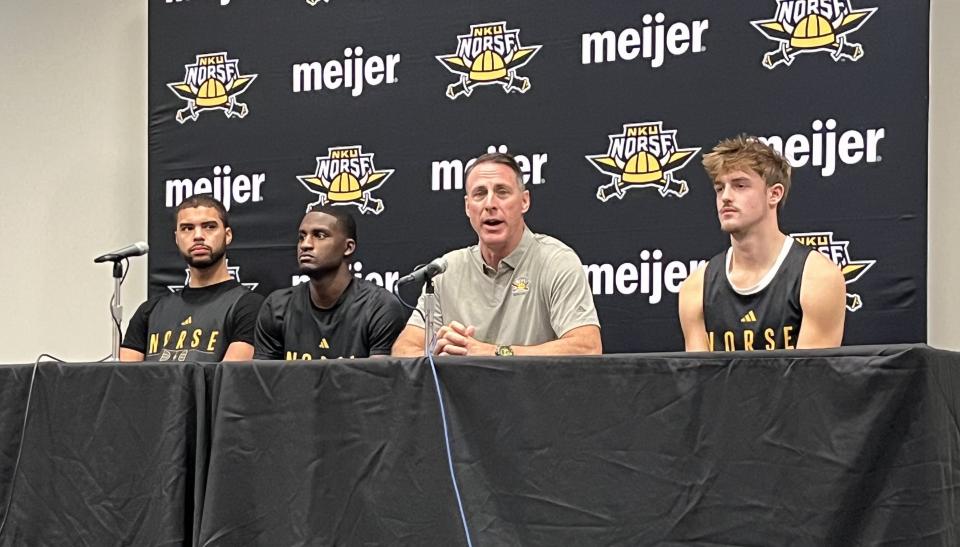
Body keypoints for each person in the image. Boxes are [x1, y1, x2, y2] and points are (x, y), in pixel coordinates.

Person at [391, 152, 601, 357]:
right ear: (467, 206)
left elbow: (587, 348)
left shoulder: (556, 261)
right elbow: (403, 350)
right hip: (464, 392)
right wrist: (440, 355)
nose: (490, 204)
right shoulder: (445, 270)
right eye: (479, 194)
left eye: (502, 192)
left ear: (524, 201)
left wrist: (493, 352)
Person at [678, 135, 846, 352]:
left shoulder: (818, 278)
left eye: (740, 185)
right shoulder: (695, 288)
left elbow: (809, 380)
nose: (726, 197)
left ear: (774, 194)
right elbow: (698, 382)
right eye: (720, 188)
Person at [120, 195, 264, 362]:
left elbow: (228, 380)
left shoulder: (249, 306)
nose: (198, 236)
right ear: (176, 238)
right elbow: (126, 380)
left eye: (209, 227)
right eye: (187, 228)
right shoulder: (149, 311)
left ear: (228, 235)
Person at [254, 206, 406, 360]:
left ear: (348, 247)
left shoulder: (378, 307)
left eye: (320, 235)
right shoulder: (277, 307)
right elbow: (263, 380)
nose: (305, 244)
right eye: (301, 237)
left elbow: (380, 380)